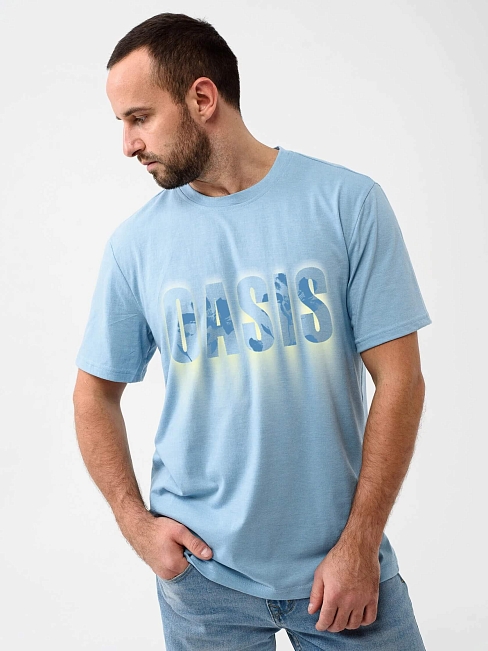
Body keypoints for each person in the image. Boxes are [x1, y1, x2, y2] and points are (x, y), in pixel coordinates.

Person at [72, 12, 432, 650]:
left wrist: (360, 543)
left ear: (202, 98)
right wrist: (137, 525)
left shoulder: (347, 204)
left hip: (343, 571)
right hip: (203, 580)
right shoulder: (136, 246)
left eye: (139, 118)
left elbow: (400, 378)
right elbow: (93, 394)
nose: (128, 144)